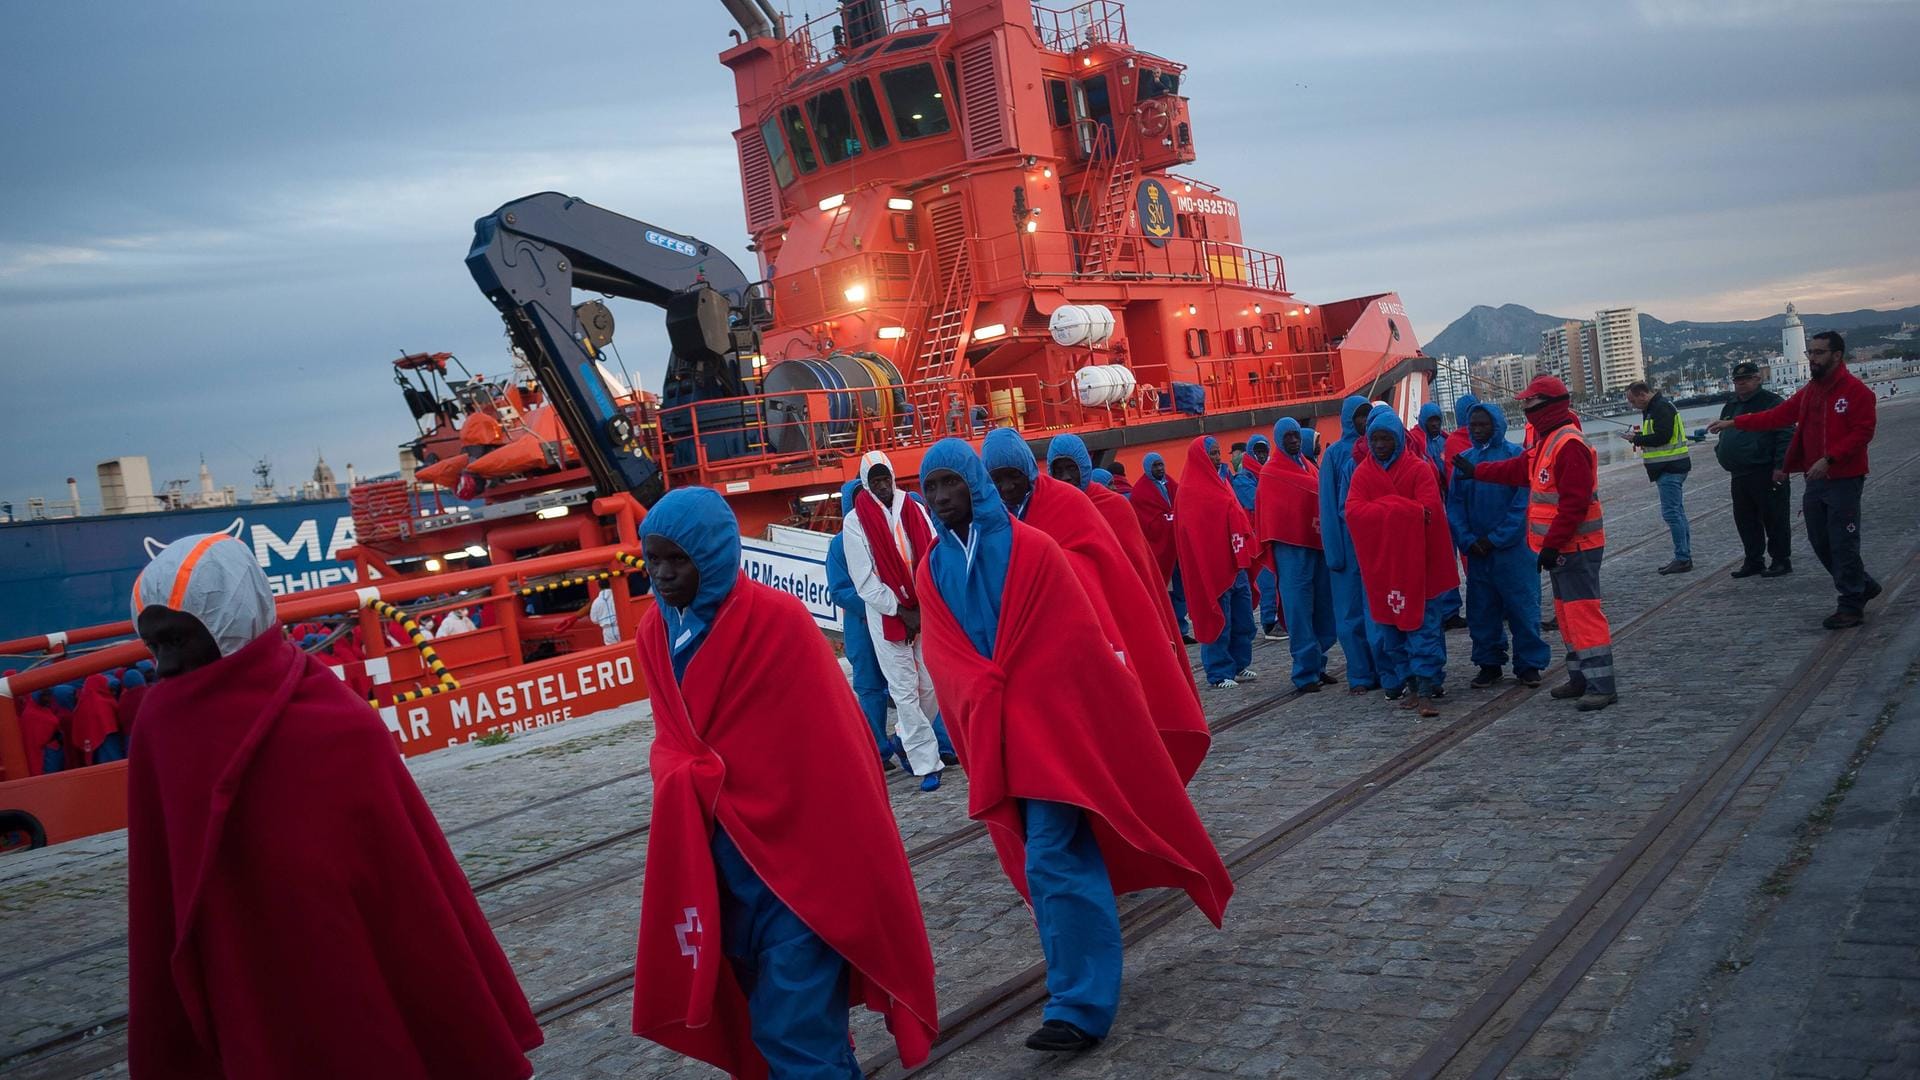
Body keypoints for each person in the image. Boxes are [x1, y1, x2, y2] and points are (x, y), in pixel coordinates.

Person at [127, 532, 542, 1078]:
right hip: (239, 963)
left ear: (227, 623)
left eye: (178, 640)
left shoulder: (335, 722)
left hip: (342, 958)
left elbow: (407, 893)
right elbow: (160, 890)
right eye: (155, 645)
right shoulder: (160, 728)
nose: (164, 665)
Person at [913, 439, 1233, 1053]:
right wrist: (979, 693)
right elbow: (945, 655)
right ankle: (1081, 980)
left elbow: (1076, 636)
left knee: (1050, 856)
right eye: (929, 488)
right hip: (999, 732)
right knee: (1049, 855)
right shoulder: (932, 567)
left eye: (951, 482)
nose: (941, 497)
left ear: (973, 482)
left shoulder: (1032, 549)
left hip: (1052, 726)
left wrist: (1103, 704)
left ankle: (1077, 1005)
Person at [628, 489, 938, 1078]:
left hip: (802, 863)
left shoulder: (778, 625)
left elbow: (835, 751)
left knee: (791, 1025)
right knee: (773, 1021)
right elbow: (677, 741)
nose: (664, 575)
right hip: (724, 865)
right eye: (654, 560)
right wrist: (681, 774)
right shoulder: (654, 634)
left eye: (678, 560)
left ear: (715, 556)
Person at [988, 430, 1209, 782]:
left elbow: (1134, 578)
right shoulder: (1013, 518)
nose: (1065, 478)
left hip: (1119, 623)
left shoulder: (1109, 506)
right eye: (1057, 470)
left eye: (1071, 469)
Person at [1455, 375, 1618, 711]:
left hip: (1576, 547)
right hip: (1563, 550)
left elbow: (1574, 504)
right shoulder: (1548, 442)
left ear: (1547, 405)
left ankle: (1601, 684)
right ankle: (1579, 677)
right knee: (1567, 615)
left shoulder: (1568, 444)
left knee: (1583, 615)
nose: (1525, 408)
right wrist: (1477, 471)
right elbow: (1518, 470)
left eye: (1529, 403)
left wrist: (1552, 545)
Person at [1708, 331, 1881, 629]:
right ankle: (1862, 584)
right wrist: (1734, 422)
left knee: (1843, 542)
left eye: (1818, 352)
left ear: (1836, 355)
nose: (1812, 357)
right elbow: (1776, 416)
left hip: (1843, 478)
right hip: (1815, 481)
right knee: (1819, 540)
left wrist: (1829, 459)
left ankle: (1851, 604)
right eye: (1810, 352)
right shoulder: (1810, 392)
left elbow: (1863, 433)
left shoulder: (1857, 392)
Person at [841, 449, 946, 790]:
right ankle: (927, 765)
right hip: (888, 616)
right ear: (866, 484)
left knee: (930, 686)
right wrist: (901, 610)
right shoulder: (855, 522)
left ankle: (904, 735)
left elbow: (931, 550)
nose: (883, 486)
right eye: (876, 481)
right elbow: (865, 580)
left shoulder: (912, 508)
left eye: (886, 478)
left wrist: (925, 603)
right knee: (904, 690)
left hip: (923, 608)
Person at [1345, 408, 1457, 717]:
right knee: (1391, 632)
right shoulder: (1363, 473)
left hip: (1422, 566)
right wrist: (1400, 509)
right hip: (1385, 568)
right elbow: (1353, 512)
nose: (1380, 445)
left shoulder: (1419, 469)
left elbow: (1430, 510)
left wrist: (1381, 509)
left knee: (1424, 628)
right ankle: (1410, 683)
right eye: (1375, 439)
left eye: (1386, 438)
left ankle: (1427, 685)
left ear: (1398, 438)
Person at [1447, 400, 1550, 689]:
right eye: (1473, 425)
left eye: (1483, 424)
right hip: (1479, 552)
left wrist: (1495, 539)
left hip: (1513, 551)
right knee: (1482, 611)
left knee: (1523, 608)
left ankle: (1529, 664)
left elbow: (1522, 506)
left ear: (1496, 425)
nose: (1477, 430)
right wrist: (1467, 539)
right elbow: (1454, 505)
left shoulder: (1517, 457)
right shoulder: (1464, 462)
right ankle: (1489, 663)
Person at [1255, 418, 1337, 692]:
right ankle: (1304, 672)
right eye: (1288, 436)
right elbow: (1270, 515)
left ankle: (1319, 663)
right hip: (1291, 550)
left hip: (1316, 545)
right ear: (1279, 439)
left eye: (1295, 436)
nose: (1293, 441)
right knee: (1299, 610)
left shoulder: (1309, 466)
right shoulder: (1270, 473)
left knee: (1323, 607)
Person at [1174, 436, 1258, 688]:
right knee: (1220, 618)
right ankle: (1219, 671)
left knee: (1243, 617)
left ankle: (1239, 663)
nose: (1216, 457)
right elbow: (1192, 535)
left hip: (1235, 561)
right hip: (1213, 566)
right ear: (1200, 456)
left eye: (1218, 452)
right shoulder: (1189, 491)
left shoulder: (1222, 481)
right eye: (1211, 453)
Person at [827, 479, 899, 769]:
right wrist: (879, 604)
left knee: (908, 683)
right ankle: (879, 751)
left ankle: (934, 743)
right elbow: (839, 590)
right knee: (871, 689)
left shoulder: (887, 528)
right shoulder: (839, 544)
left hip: (889, 619)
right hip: (864, 627)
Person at [1319, 395, 1388, 693]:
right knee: (1349, 615)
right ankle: (1360, 674)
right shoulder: (1334, 456)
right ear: (1348, 419)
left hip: (1372, 543)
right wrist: (1334, 550)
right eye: (1358, 416)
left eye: (1366, 415)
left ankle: (1385, 670)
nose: (1362, 421)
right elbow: (1328, 506)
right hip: (1347, 545)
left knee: (1378, 610)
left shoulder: (1377, 448)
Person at [1714, 361, 1794, 578]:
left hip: (1765, 470)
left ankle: (1780, 560)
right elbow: (1725, 430)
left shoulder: (1771, 401)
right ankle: (1754, 560)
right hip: (1739, 473)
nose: (1741, 384)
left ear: (1758, 379)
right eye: (1737, 380)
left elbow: (1786, 433)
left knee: (1775, 518)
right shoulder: (1731, 404)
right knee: (1745, 520)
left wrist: (1781, 466)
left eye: (1746, 379)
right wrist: (1721, 449)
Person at [1622, 379, 1693, 574]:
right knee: (1677, 512)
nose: (1632, 405)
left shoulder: (1660, 408)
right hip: (1670, 467)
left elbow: (1663, 436)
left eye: (1633, 401)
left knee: (1672, 513)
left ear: (1642, 395)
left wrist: (1636, 439)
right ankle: (1684, 555)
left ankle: (1683, 557)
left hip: (1670, 467)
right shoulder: (1654, 408)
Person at [1130, 451, 1192, 641]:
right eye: (1156, 466)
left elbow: (1183, 504)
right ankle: (1171, 629)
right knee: (1168, 592)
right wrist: (1170, 519)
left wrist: (1173, 518)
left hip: (1176, 548)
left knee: (1181, 590)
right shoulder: (1141, 491)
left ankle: (1181, 628)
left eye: (1161, 465)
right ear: (1148, 468)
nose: (1160, 469)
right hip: (1161, 550)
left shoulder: (1171, 484)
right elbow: (1147, 522)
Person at [1419, 402, 1468, 630]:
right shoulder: (1418, 444)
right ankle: (1447, 610)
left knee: (1456, 557)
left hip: (1451, 505)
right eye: (1431, 421)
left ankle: (1453, 609)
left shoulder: (1446, 442)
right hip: (1434, 510)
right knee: (1444, 559)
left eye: (1438, 420)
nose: (1436, 424)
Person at [1232, 436, 1284, 640]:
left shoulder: (1269, 473)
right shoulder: (1243, 478)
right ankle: (1269, 622)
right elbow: (1256, 501)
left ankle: (1278, 619)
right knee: (1267, 581)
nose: (1262, 455)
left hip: (1273, 532)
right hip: (1257, 537)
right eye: (1258, 451)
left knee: (1277, 579)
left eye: (1264, 451)